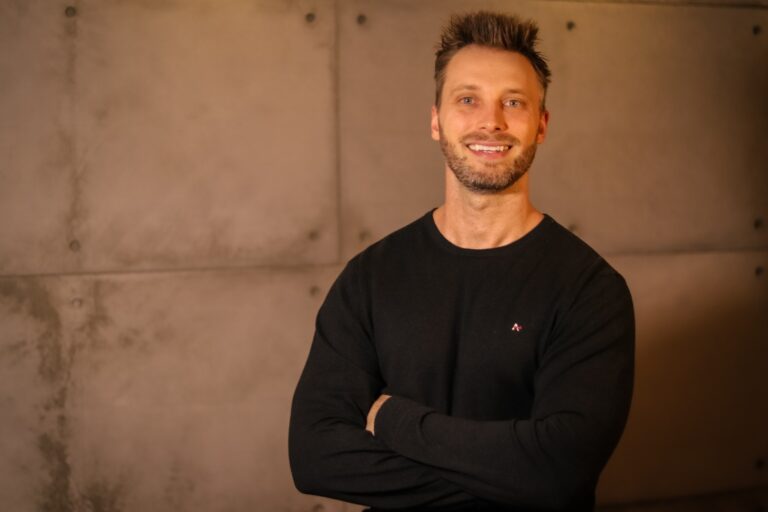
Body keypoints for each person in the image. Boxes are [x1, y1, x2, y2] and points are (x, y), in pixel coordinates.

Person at [289, 11, 634, 512]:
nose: (491, 121)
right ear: (436, 120)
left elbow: (561, 471)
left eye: (513, 102)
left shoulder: (590, 290)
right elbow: (315, 456)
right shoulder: (371, 277)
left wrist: (393, 420)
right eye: (468, 99)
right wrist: (513, 479)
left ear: (541, 125)